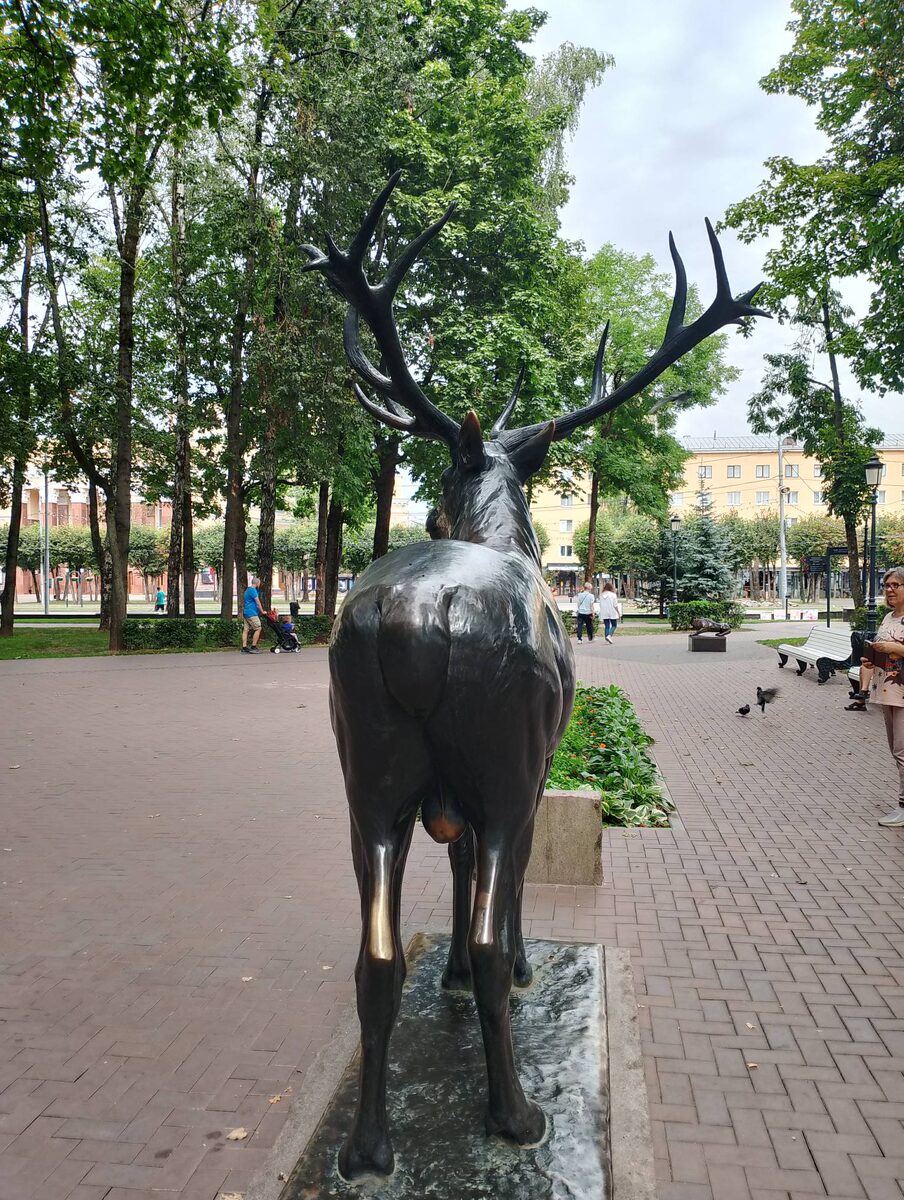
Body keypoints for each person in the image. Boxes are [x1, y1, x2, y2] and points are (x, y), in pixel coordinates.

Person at [864, 567, 904, 827]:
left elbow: (896, 649)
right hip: (888, 692)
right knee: (896, 750)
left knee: (902, 751)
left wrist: (895, 648)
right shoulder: (888, 618)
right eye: (887, 585)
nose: (889, 590)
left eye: (896, 585)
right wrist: (872, 658)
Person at [241, 576, 265, 654]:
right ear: (257, 583)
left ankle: (244, 647)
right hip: (252, 613)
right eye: (259, 583)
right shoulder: (253, 590)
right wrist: (262, 611)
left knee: (246, 630)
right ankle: (253, 647)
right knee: (258, 628)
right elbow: (258, 602)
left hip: (246, 612)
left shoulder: (247, 590)